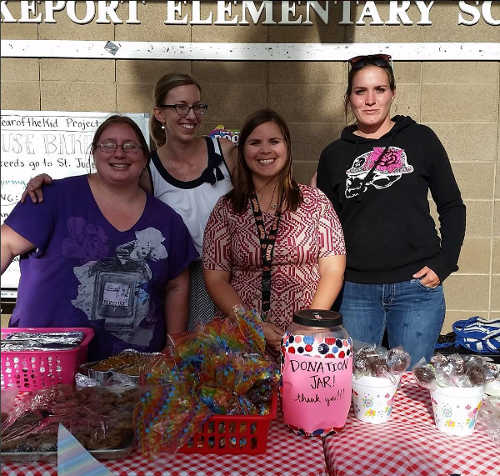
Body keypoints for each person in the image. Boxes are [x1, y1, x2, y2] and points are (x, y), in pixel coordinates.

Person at [21, 73, 236, 330]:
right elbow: (110, 188)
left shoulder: (225, 151)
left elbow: (264, 189)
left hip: (232, 276)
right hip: (185, 278)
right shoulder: (148, 171)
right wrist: (49, 184)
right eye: (180, 106)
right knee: (197, 359)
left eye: (197, 106)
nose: (190, 114)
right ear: (159, 113)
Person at [1, 115, 198, 360]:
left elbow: (177, 285)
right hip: (45, 363)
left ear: (145, 157)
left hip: (129, 374)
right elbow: (6, 245)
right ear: (94, 153)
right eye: (108, 145)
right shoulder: (52, 198)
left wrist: (173, 352)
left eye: (130, 146)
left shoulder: (167, 220)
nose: (119, 153)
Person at [315, 54, 466, 367]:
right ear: (349, 97)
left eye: (379, 89)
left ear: (393, 93)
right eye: (360, 92)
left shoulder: (421, 139)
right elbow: (325, 227)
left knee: (411, 385)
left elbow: (452, 206)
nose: (370, 100)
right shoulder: (334, 155)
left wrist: (444, 263)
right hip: (356, 292)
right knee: (359, 388)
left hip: (416, 290)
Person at [203, 109, 346, 356]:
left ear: (287, 147)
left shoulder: (315, 202)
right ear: (243, 151)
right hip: (243, 340)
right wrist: (254, 325)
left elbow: (333, 270)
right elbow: (216, 279)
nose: (265, 150)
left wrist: (307, 326)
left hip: (306, 338)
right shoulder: (226, 208)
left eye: (274, 141)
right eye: (255, 143)